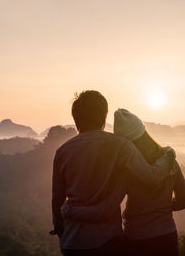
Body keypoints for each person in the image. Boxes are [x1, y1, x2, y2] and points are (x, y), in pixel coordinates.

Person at [51, 91, 177, 256]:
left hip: (73, 242)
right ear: (104, 117)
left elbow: (57, 200)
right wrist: (168, 156)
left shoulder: (63, 151)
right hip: (108, 240)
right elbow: (151, 177)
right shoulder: (120, 145)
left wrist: (62, 232)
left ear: (76, 120)